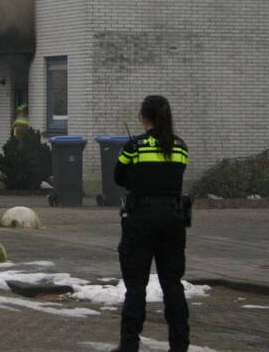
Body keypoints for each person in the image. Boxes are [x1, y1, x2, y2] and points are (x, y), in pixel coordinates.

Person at [112, 95, 190, 352]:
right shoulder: (180, 147)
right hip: (174, 219)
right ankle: (179, 345)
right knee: (173, 284)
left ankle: (129, 345)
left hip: (141, 219)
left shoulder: (135, 146)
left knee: (136, 286)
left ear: (143, 117)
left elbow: (118, 176)